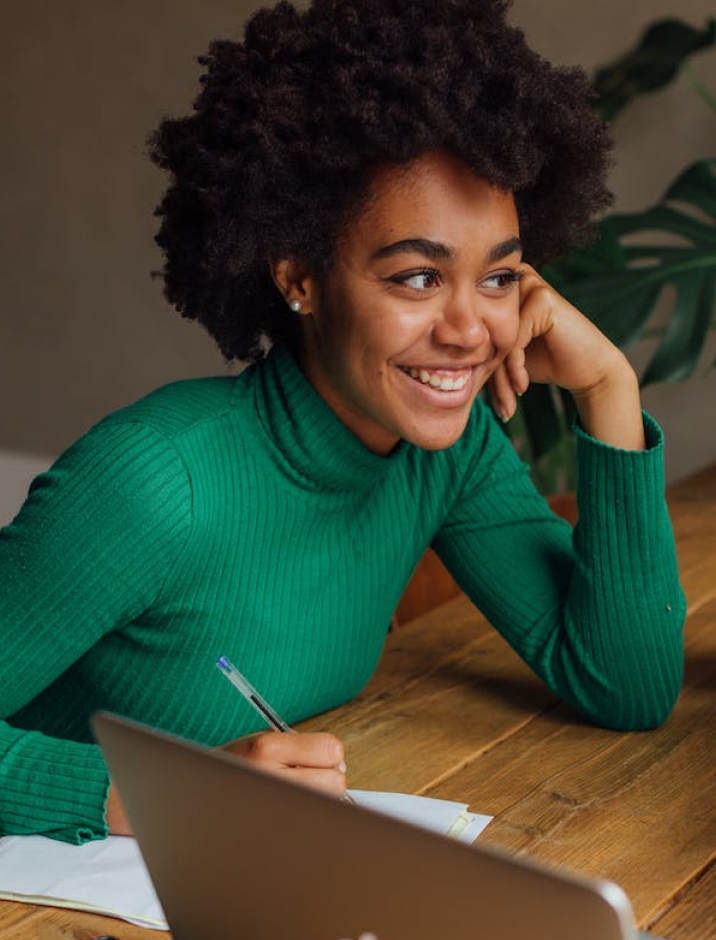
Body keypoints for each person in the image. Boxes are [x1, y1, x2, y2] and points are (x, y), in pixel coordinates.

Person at [0, 0, 685, 844]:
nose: (469, 330)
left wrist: (609, 387)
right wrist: (155, 792)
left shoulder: (447, 454)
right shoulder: (153, 481)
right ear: (301, 279)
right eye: (417, 277)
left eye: (499, 278)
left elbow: (626, 686)